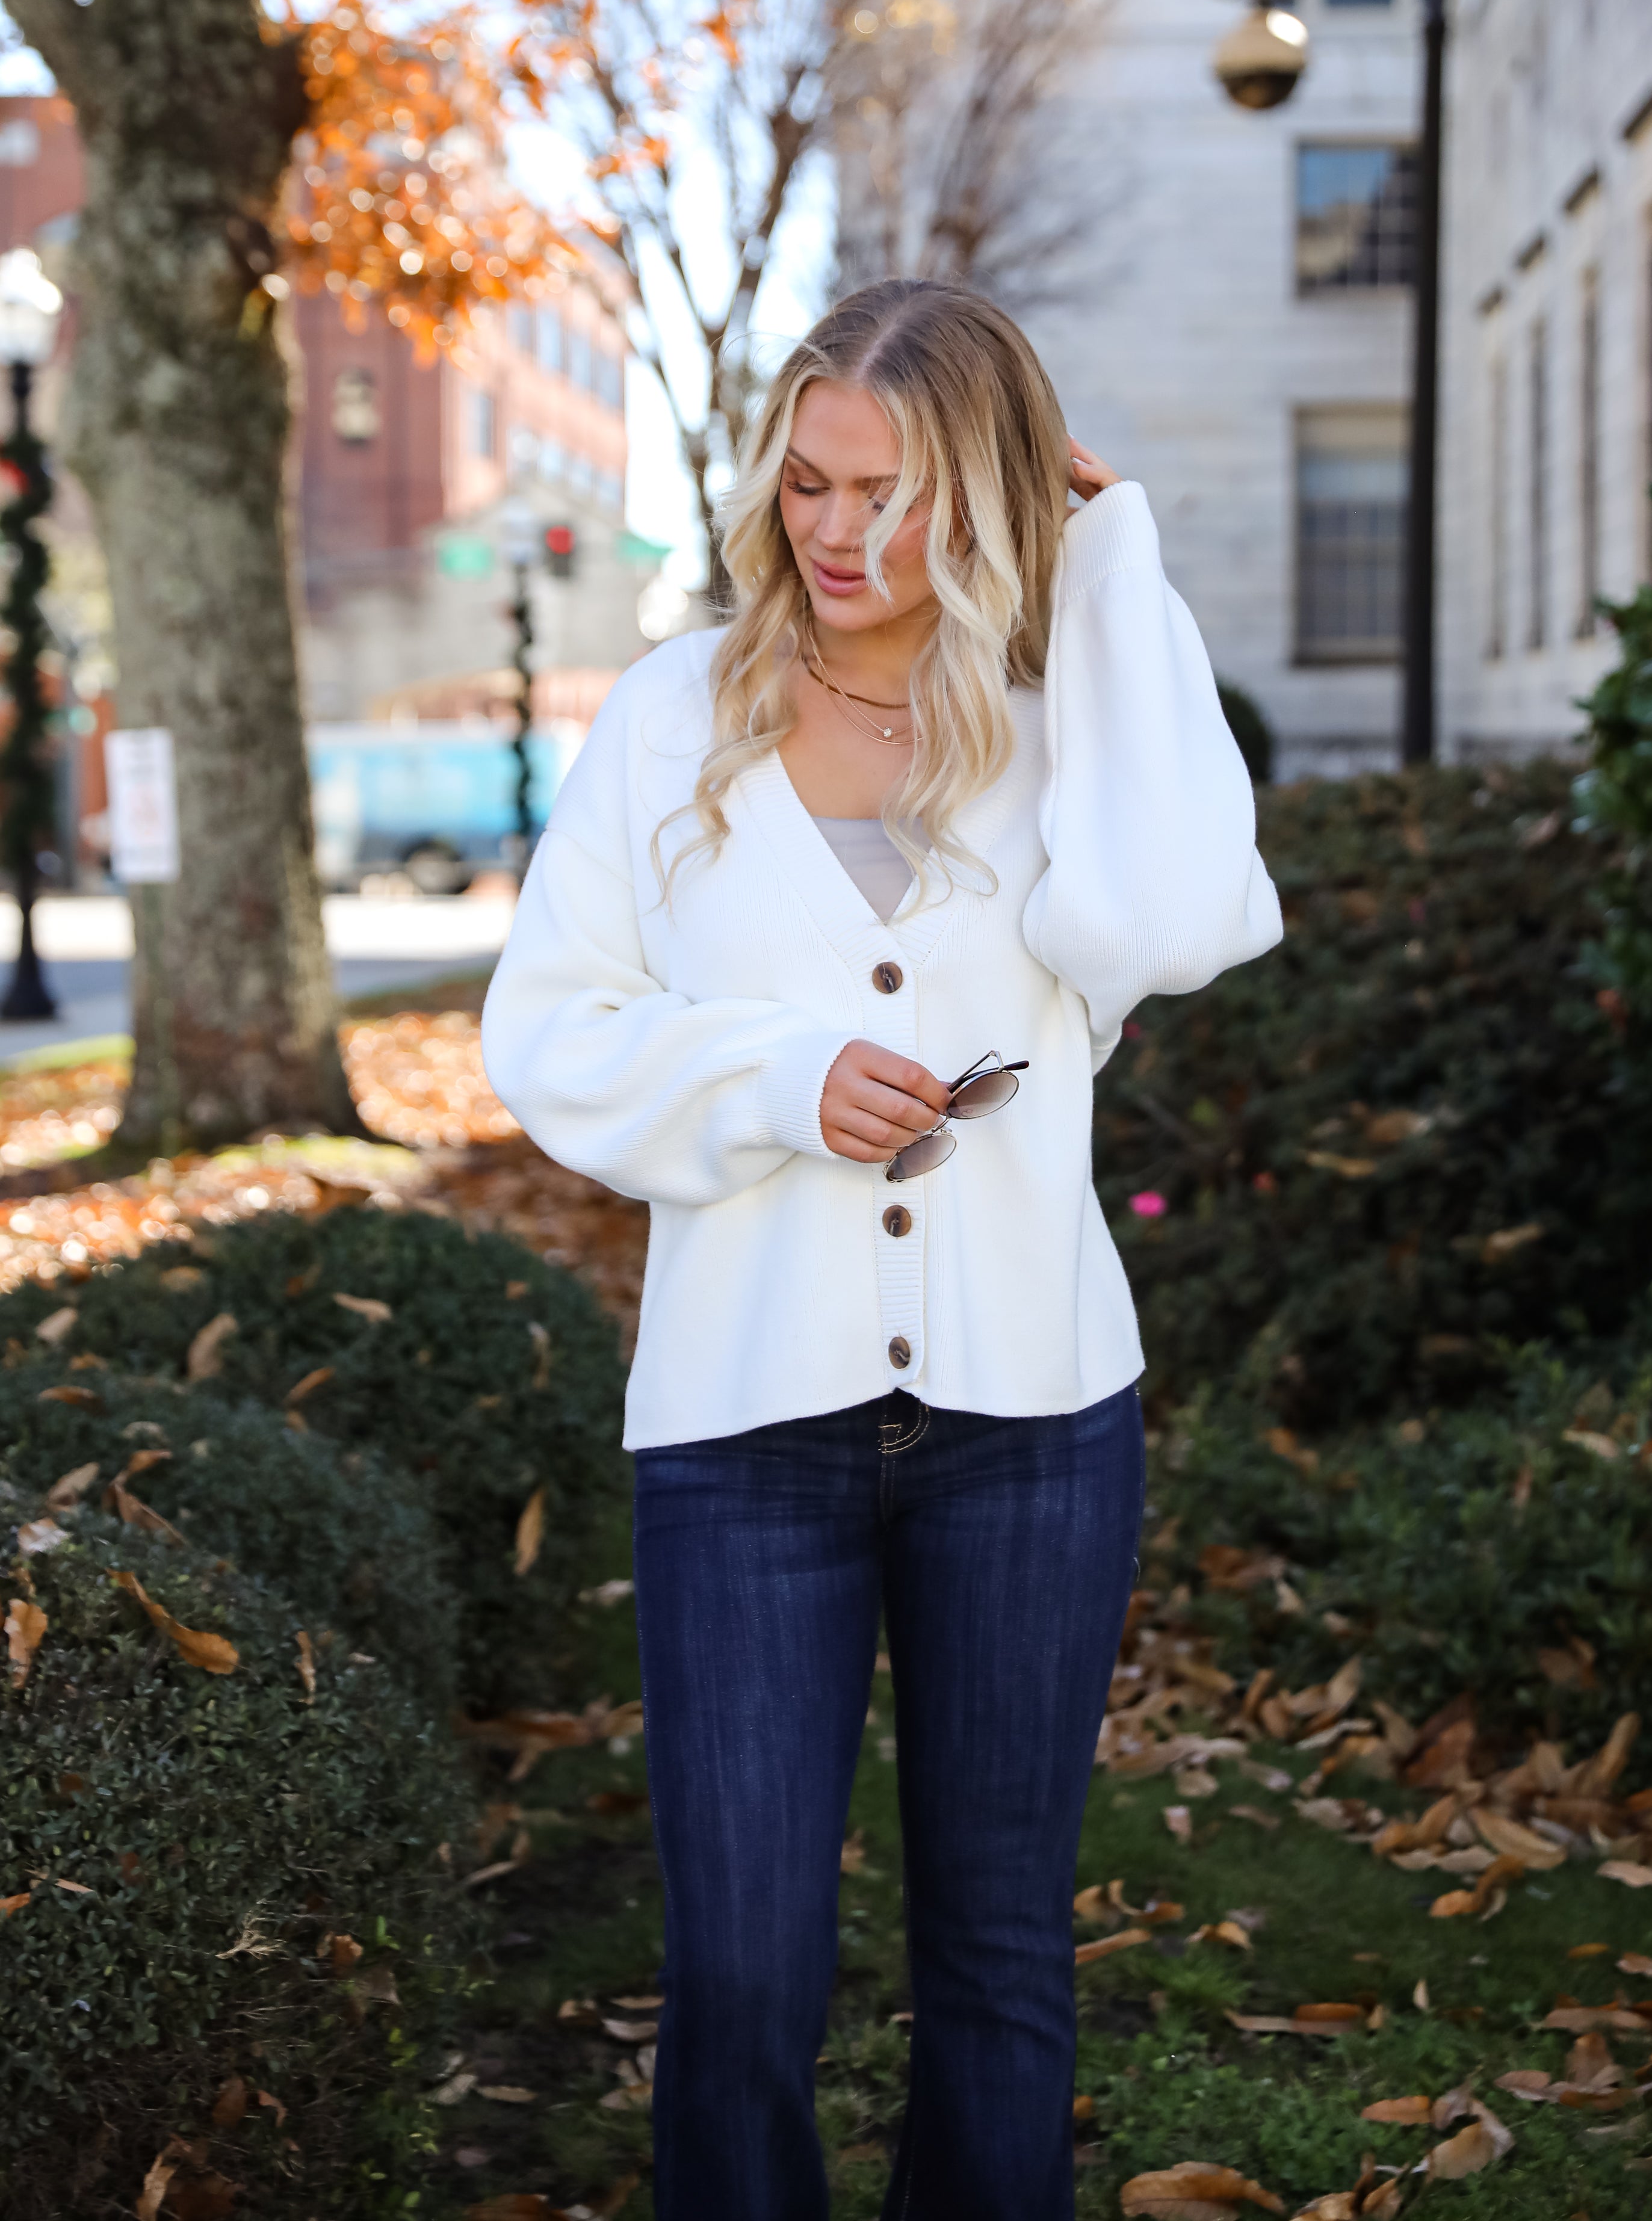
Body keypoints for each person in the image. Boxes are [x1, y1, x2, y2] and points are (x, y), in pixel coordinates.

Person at [481, 279, 1281, 2220]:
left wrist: (1114, 566)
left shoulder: (1069, 714)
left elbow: (1179, 920)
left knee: (998, 1958)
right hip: (744, 1431)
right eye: (811, 482)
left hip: (1033, 1423)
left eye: (895, 493)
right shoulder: (673, 712)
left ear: (991, 496)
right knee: (743, 1969)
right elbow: (550, 1031)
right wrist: (773, 1078)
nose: (838, 535)